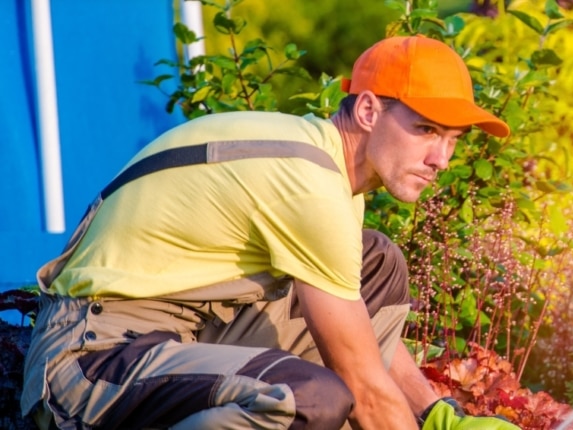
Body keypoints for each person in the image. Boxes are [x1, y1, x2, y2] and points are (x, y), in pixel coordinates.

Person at [22, 35, 517, 429]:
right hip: (91, 361)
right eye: (426, 129)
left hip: (179, 329)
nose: (441, 159)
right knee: (310, 401)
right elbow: (363, 387)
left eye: (453, 139)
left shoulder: (324, 166)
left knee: (375, 263)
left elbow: (361, 343)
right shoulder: (308, 184)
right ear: (368, 111)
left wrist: (434, 417)